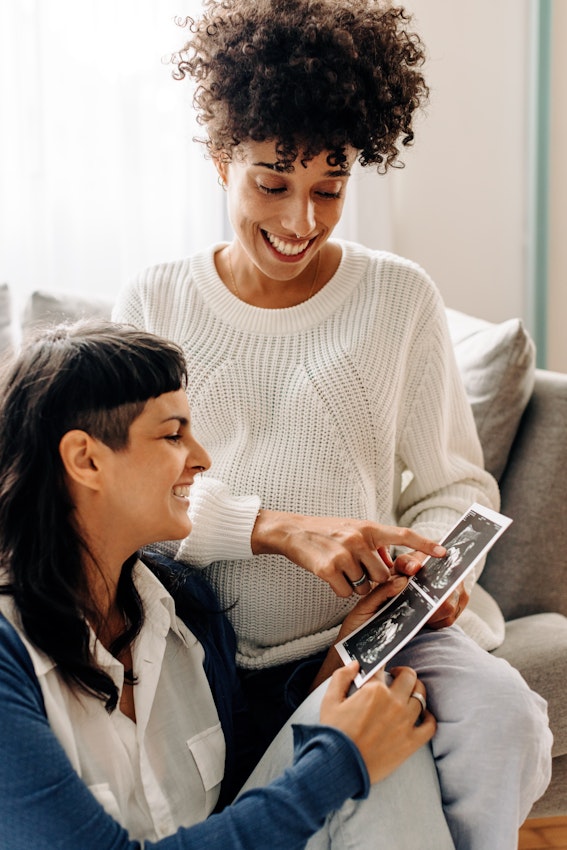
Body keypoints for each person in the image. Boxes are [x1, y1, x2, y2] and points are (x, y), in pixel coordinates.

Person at [113, 1, 553, 847]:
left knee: (506, 722)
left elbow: (453, 484)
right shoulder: (155, 301)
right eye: (272, 183)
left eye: (331, 185)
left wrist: (426, 570)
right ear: (219, 160)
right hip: (206, 653)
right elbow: (133, 500)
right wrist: (277, 530)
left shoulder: (396, 296)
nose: (302, 222)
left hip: (371, 630)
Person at [0, 319, 463, 849]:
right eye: (173, 434)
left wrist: (345, 658)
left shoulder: (181, 608)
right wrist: (341, 761)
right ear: (86, 459)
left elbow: (247, 790)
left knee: (376, 713)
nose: (202, 458)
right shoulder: (10, 657)